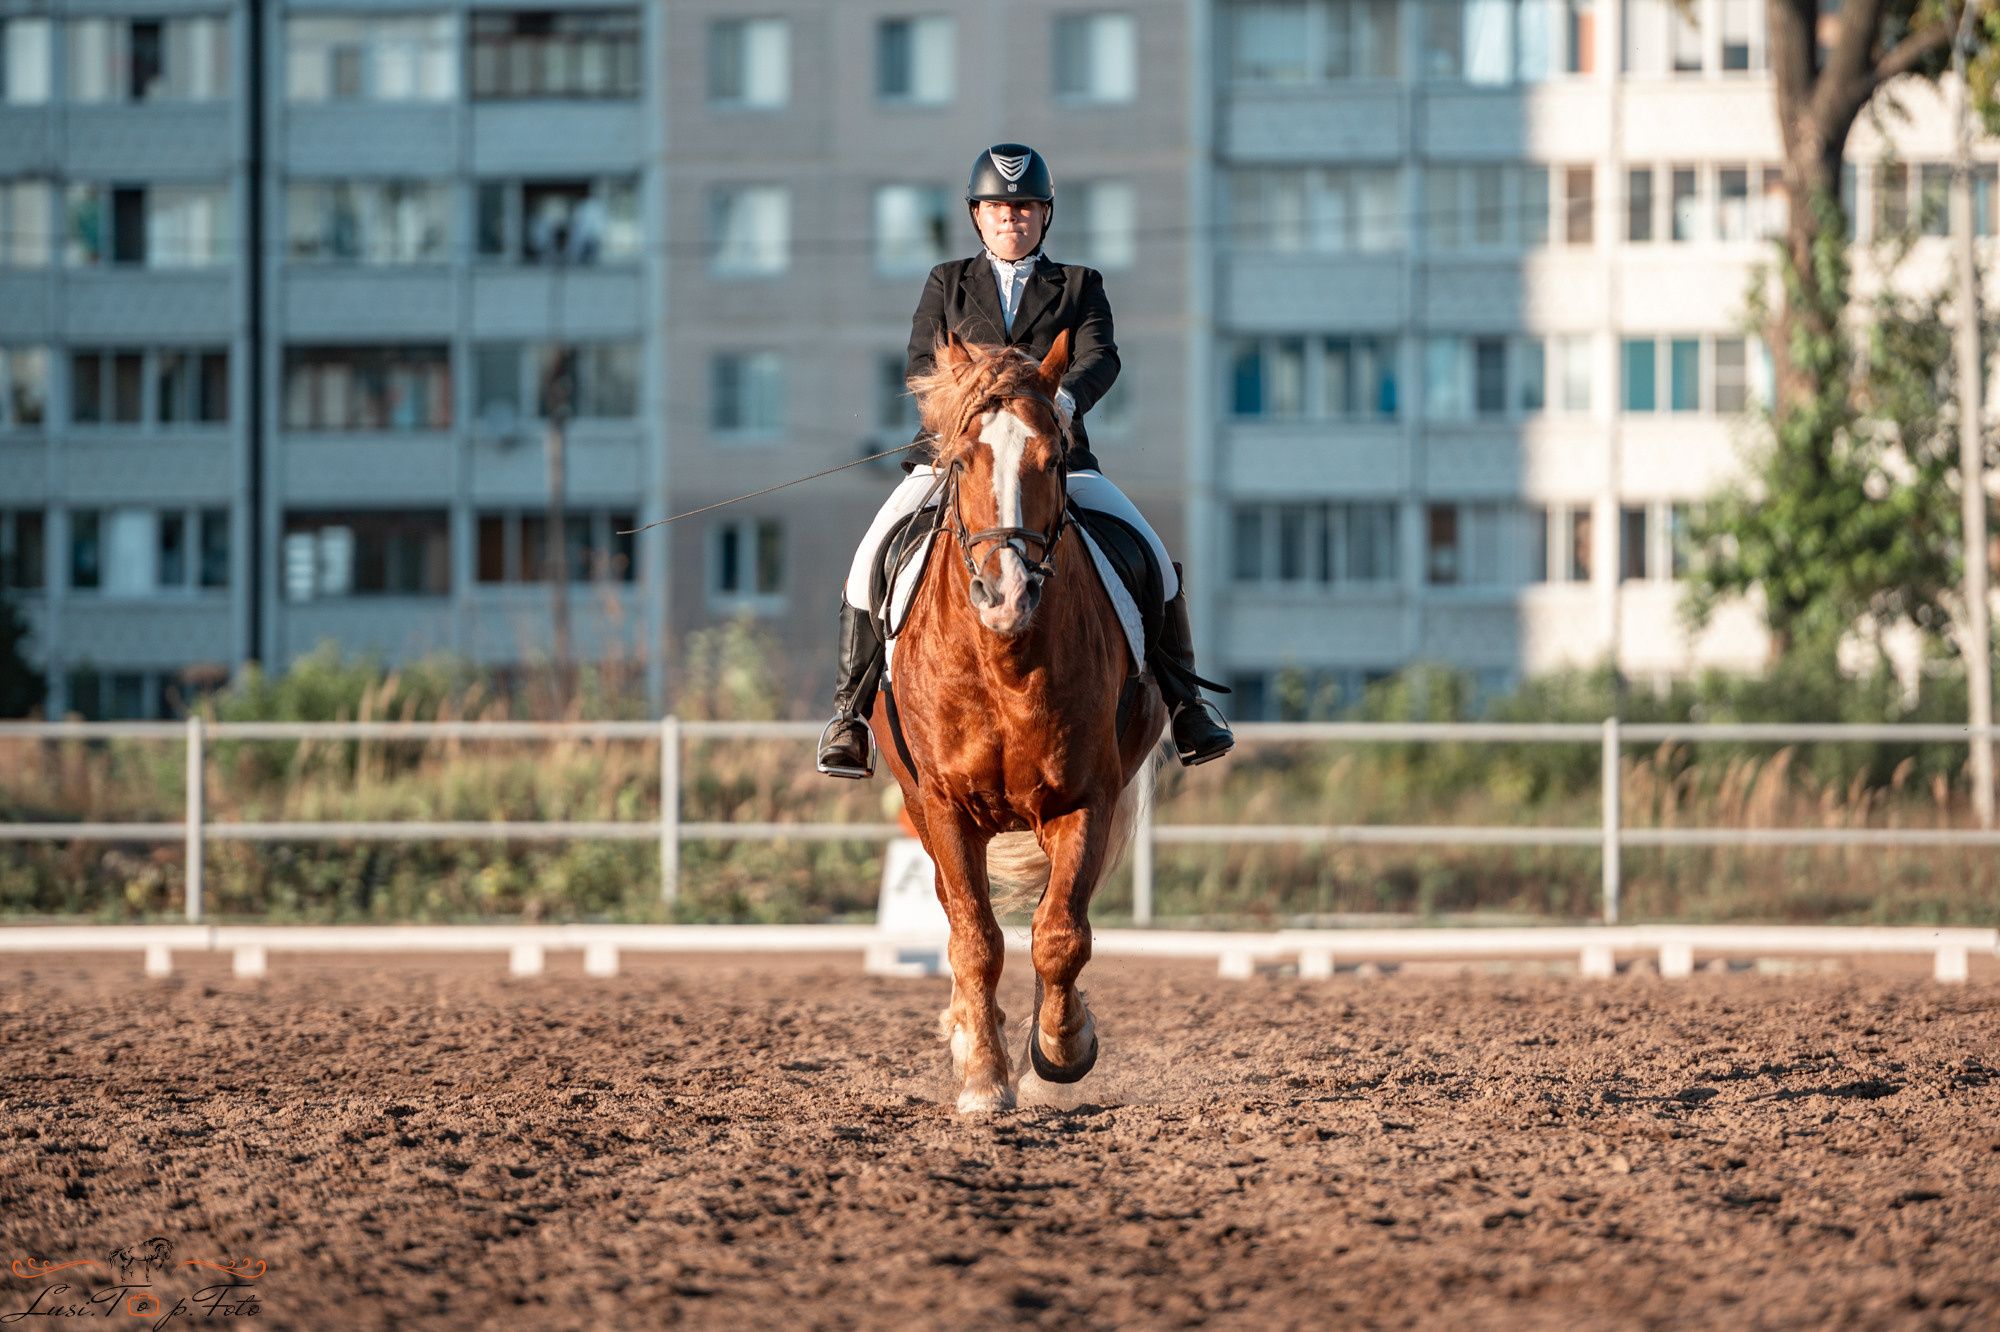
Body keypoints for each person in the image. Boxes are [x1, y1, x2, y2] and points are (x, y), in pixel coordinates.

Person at [816, 143, 1233, 777]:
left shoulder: (1078, 284)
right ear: (977, 216)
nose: (1012, 219)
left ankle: (1186, 707)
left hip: (1053, 461)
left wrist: (1062, 397)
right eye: (999, 209)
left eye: (1026, 209)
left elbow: (1102, 356)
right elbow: (921, 366)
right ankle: (850, 716)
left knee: (1151, 557)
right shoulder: (946, 282)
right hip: (961, 461)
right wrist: (969, 402)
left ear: (1045, 216)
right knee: (870, 555)